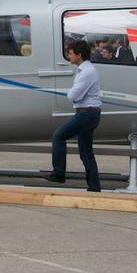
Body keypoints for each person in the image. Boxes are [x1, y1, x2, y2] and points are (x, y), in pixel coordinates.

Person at [42, 39, 102, 192]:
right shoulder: (86, 70)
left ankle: (59, 173)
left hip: (86, 114)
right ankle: (94, 187)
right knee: (86, 152)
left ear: (79, 55)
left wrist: (70, 92)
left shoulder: (87, 72)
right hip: (90, 113)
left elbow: (74, 96)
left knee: (58, 136)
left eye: (70, 54)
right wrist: (72, 92)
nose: (68, 56)